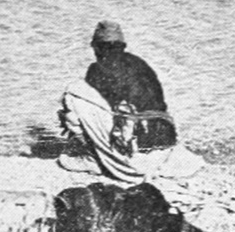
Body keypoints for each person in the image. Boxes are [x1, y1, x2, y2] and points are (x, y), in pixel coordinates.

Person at [57, 21, 201, 182]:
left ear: (95, 47)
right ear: (123, 46)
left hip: (132, 154)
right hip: (164, 146)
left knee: (73, 94)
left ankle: (92, 158)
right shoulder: (139, 63)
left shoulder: (96, 69)